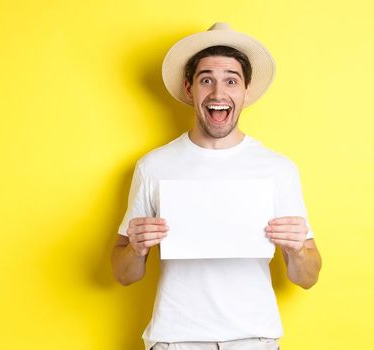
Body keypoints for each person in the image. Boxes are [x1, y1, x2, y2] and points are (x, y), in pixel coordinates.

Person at [110, 22, 322, 350]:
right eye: (206, 80)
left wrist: (297, 249)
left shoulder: (278, 169)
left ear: (246, 91)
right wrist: (136, 248)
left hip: (254, 339)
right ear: (189, 89)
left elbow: (306, 278)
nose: (218, 94)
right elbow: (124, 274)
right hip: (176, 339)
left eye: (231, 81)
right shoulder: (154, 166)